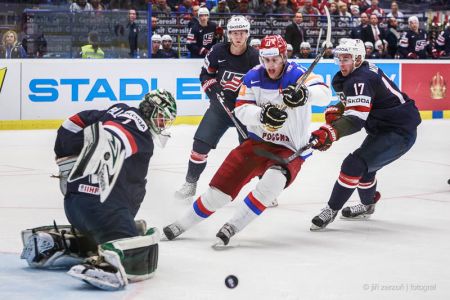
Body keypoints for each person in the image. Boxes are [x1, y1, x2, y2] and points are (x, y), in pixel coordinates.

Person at [165, 35, 331, 246]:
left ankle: (232, 226)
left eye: (275, 60)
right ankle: (182, 223)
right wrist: (261, 116)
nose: (270, 65)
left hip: (289, 148)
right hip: (256, 144)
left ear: (283, 57)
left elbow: (325, 94)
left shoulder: (297, 74)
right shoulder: (253, 76)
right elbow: (242, 110)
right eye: (266, 60)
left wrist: (305, 94)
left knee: (271, 184)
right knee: (218, 193)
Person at [20, 90, 177, 290]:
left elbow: (73, 122)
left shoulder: (117, 109)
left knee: (104, 231)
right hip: (103, 211)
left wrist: (67, 159)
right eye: (162, 118)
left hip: (73, 204)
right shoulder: (143, 135)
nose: (163, 125)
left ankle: (56, 244)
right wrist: (122, 214)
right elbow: (119, 141)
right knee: (137, 242)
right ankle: (108, 266)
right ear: (151, 110)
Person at [309, 39, 421, 230]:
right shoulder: (360, 71)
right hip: (386, 126)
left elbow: (355, 120)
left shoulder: (360, 79)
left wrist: (330, 131)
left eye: (347, 58)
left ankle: (331, 209)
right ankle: (368, 205)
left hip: (399, 131)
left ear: (358, 58)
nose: (342, 63)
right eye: (339, 58)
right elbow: (363, 100)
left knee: (353, 164)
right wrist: (339, 108)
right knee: (365, 168)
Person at [175, 15, 260, 200]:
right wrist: (212, 90)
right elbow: (206, 74)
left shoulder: (254, 57)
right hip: (219, 109)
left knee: (253, 151)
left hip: (244, 111)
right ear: (229, 34)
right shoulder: (217, 51)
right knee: (199, 146)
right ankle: (190, 184)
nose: (238, 36)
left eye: (242, 33)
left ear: (247, 34)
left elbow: (262, 86)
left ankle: (264, 189)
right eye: (234, 33)